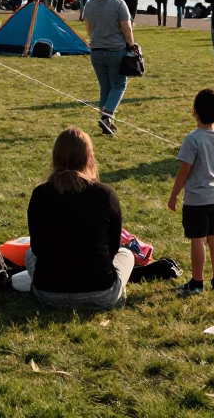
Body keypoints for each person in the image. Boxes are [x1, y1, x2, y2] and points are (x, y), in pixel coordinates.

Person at [25, 127, 135, 309]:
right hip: (102, 292)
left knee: (28, 253)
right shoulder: (105, 194)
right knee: (127, 254)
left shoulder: (40, 194)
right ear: (88, 156)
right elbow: (113, 247)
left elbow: (36, 247)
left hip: (49, 293)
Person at [167, 88, 214, 294]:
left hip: (196, 199)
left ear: (195, 111)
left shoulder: (191, 139)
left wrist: (174, 194)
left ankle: (196, 282)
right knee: (213, 236)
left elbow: (184, 171)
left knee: (197, 240)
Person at [83, 0, 136, 137]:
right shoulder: (119, 4)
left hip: (97, 51)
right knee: (119, 85)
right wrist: (131, 44)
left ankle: (106, 120)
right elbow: (126, 28)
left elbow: (89, 28)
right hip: (115, 50)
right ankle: (107, 116)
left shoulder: (90, 4)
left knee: (105, 86)